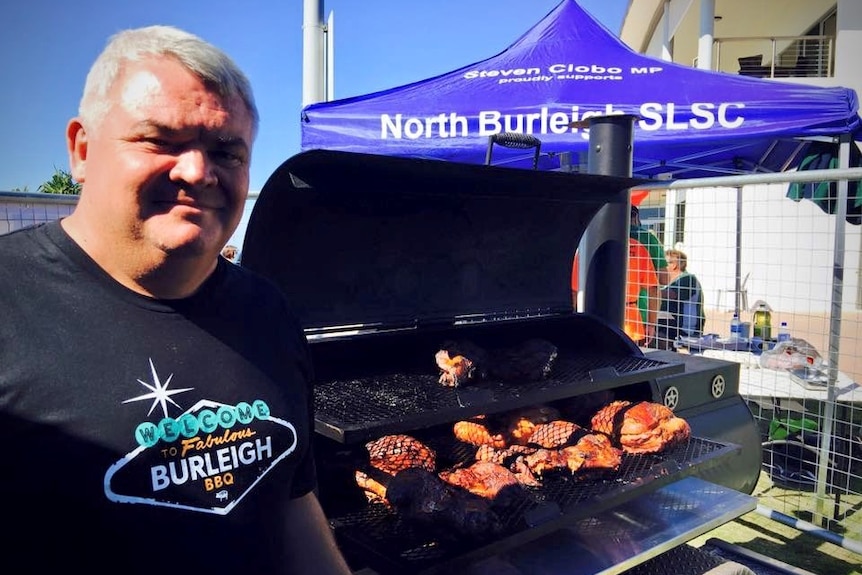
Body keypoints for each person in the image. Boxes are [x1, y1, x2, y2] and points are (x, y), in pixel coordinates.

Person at [0, 26, 351, 574]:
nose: (196, 171)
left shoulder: (267, 310)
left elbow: (289, 497)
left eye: (226, 151)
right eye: (160, 140)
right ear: (83, 150)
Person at [571, 236, 659, 347]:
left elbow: (574, 291)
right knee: (630, 361)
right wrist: (651, 324)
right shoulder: (637, 248)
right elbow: (653, 289)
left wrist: (573, 323)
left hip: (594, 318)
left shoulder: (586, 250)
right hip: (629, 322)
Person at [630, 204, 667, 342]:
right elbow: (663, 279)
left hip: (602, 310)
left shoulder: (601, 234)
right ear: (636, 217)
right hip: (639, 310)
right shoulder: (647, 239)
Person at [657, 249, 706, 350]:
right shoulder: (672, 282)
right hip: (673, 324)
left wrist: (645, 290)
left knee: (649, 326)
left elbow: (671, 295)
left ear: (673, 265)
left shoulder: (687, 278)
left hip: (686, 329)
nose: (658, 266)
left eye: (662, 263)